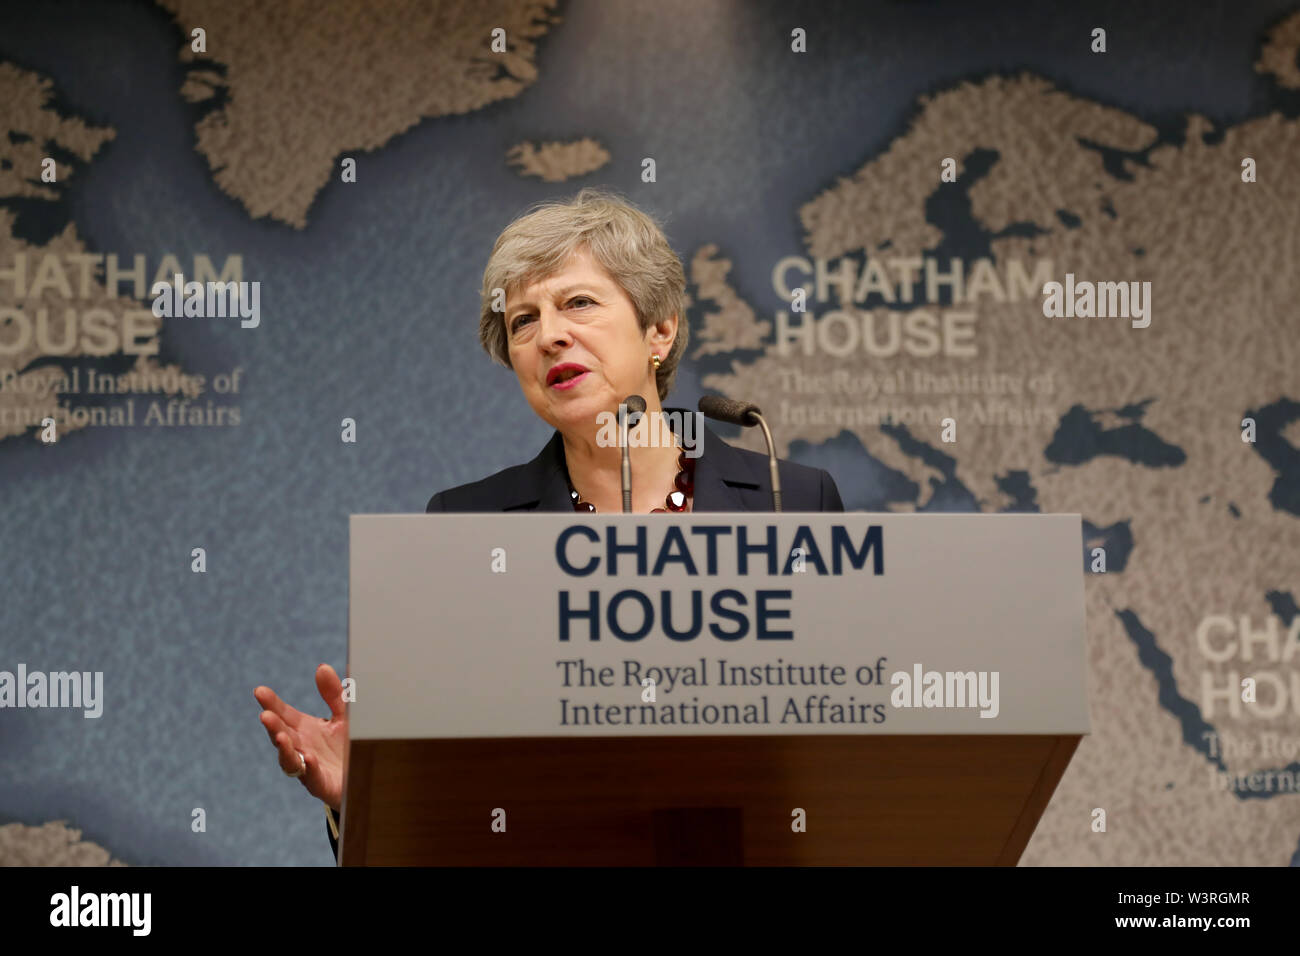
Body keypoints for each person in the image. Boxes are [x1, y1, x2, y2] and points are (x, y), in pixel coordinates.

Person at [253, 187, 845, 861]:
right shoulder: (465, 530)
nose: (550, 334)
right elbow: (444, 818)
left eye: (579, 303)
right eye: (522, 321)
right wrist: (367, 800)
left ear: (661, 330)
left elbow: (846, 761)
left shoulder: (790, 501)